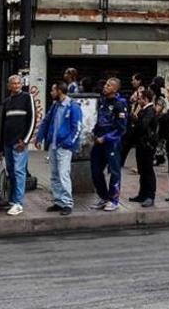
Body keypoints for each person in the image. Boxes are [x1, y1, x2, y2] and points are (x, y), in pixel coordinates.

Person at [35, 81, 83, 215]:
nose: (51, 93)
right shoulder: (55, 106)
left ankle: (67, 203)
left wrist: (68, 143)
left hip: (64, 147)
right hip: (53, 145)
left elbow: (77, 127)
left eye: (52, 90)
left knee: (63, 174)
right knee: (54, 175)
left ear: (59, 91)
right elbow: (46, 121)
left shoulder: (73, 107)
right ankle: (58, 201)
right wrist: (39, 137)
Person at [0, 74, 37, 217]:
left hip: (19, 143)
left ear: (21, 85)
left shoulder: (27, 98)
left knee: (20, 172)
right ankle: (13, 200)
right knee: (12, 172)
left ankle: (18, 203)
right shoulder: (7, 102)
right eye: (13, 83)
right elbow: (3, 125)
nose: (16, 86)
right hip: (7, 143)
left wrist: (25, 141)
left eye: (18, 83)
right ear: (9, 86)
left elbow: (33, 120)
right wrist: (0, 148)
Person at [90, 78, 128, 211]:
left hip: (112, 143)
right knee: (95, 170)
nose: (105, 87)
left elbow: (121, 128)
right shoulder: (102, 102)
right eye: (105, 84)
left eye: (108, 85)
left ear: (115, 89)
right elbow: (99, 120)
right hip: (98, 142)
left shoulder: (120, 104)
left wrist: (106, 138)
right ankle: (103, 197)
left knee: (114, 172)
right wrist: (94, 132)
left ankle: (113, 200)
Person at [130, 83, 161, 207]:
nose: (138, 100)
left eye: (140, 98)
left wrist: (136, 122)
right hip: (141, 144)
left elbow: (143, 126)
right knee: (142, 170)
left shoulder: (150, 111)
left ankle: (150, 196)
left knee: (148, 171)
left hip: (147, 145)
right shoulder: (144, 110)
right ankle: (142, 194)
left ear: (146, 99)